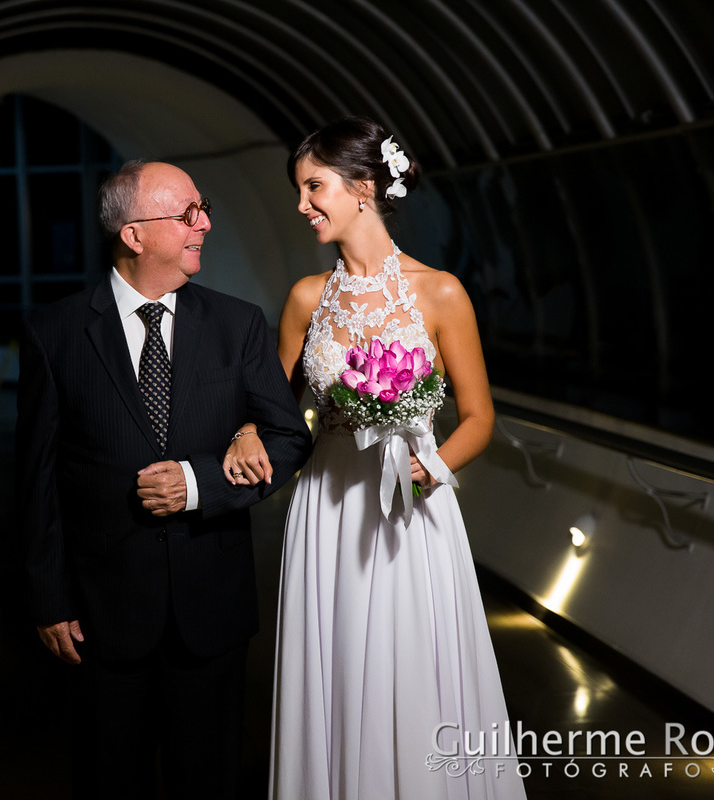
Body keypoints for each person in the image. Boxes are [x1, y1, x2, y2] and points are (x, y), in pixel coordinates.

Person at [224, 118, 528, 799]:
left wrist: (433, 466)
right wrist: (247, 431)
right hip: (329, 507)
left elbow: (480, 419)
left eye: (313, 187)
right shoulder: (307, 299)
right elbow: (272, 411)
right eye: (299, 190)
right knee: (335, 664)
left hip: (411, 513)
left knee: (413, 662)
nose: (302, 205)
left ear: (362, 186)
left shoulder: (441, 293)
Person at [16, 160, 313, 800]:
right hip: (100, 614)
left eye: (202, 209)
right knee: (107, 779)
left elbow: (290, 437)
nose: (205, 224)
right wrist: (48, 599)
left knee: (204, 781)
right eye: (187, 215)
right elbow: (36, 478)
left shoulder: (239, 326)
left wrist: (199, 483)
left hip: (211, 611)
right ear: (134, 235)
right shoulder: (54, 332)